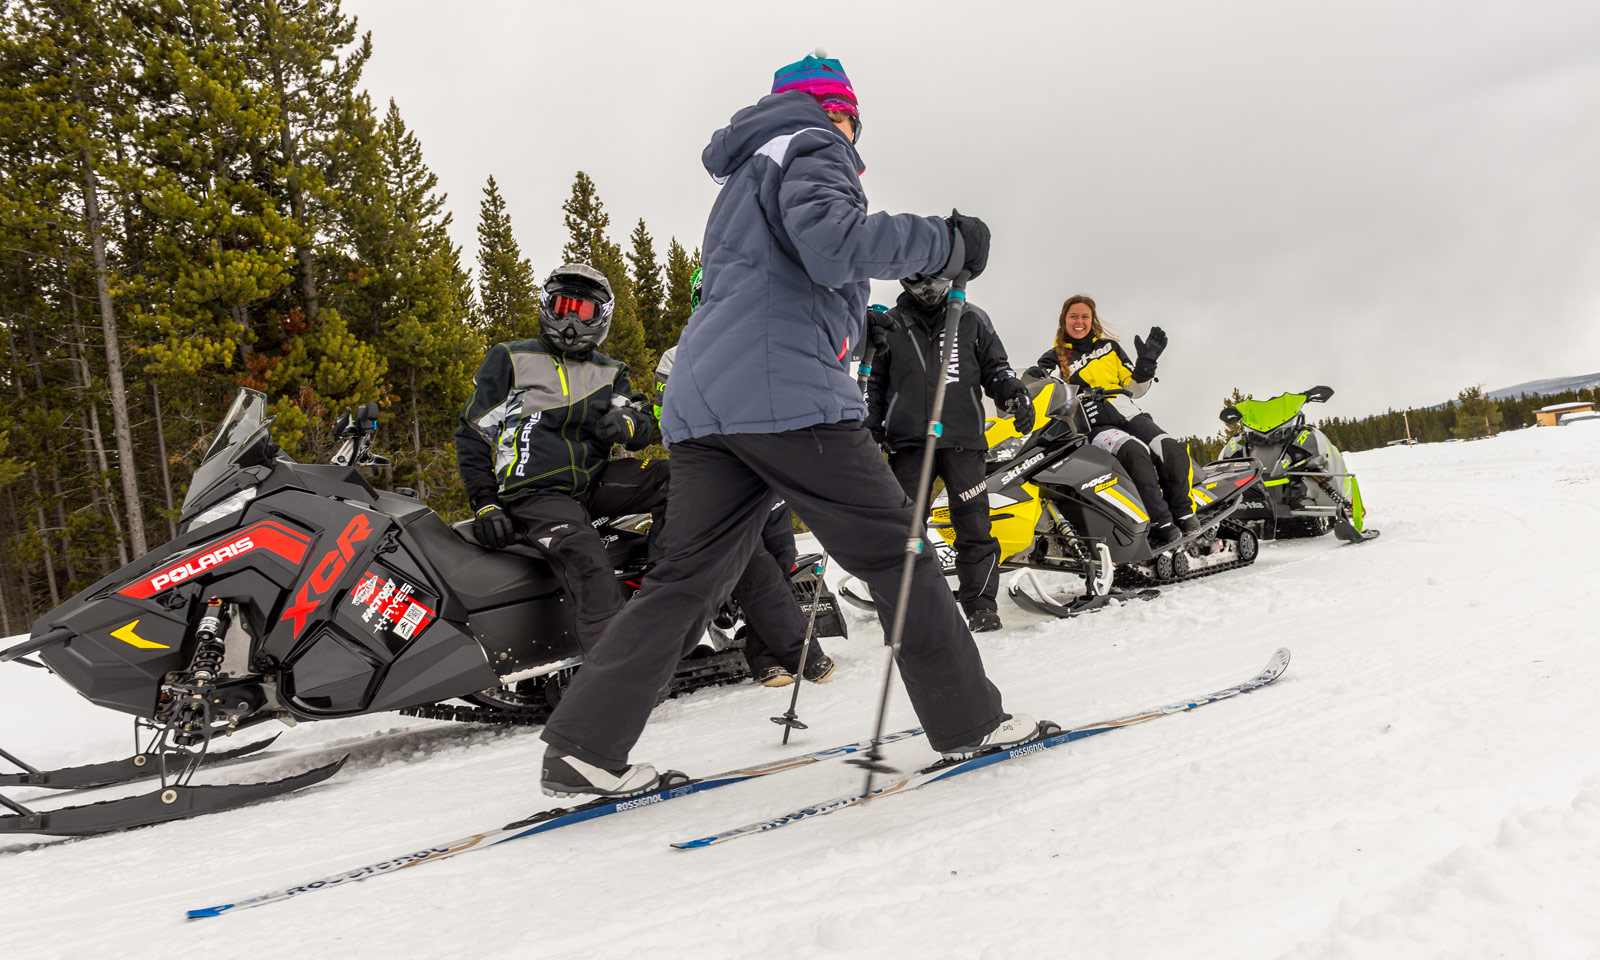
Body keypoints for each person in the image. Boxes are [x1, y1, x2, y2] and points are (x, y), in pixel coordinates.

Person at [539, 50, 1037, 798]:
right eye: (851, 118)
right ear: (830, 108)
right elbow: (833, 242)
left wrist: (850, 330)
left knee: (686, 579)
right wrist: (948, 241)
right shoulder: (809, 141)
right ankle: (969, 722)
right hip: (785, 395)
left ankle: (584, 747)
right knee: (898, 553)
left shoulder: (748, 169)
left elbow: (783, 276)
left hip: (708, 401)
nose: (854, 137)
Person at [455, 263, 661, 652]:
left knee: (681, 480)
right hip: (536, 492)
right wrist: (484, 502)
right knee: (586, 557)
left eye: (582, 310)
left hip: (596, 483)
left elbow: (643, 422)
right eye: (562, 305)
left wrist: (628, 423)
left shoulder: (610, 370)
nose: (570, 318)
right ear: (546, 305)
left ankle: (670, 588)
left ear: (600, 316)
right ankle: (617, 673)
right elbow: (473, 432)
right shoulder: (511, 358)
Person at [655, 271, 837, 688]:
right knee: (750, 563)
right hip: (718, 473)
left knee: (781, 557)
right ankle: (787, 655)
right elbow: (668, 411)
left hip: (767, 468)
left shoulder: (759, 344)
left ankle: (764, 653)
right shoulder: (676, 355)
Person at [865, 280, 1035, 633]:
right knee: (905, 529)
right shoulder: (891, 323)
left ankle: (981, 606)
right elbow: (876, 384)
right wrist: (871, 425)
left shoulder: (972, 319)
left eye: (936, 280)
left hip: (963, 439)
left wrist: (1014, 394)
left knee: (973, 525)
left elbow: (996, 370)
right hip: (909, 442)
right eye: (918, 280)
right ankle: (913, 610)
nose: (928, 289)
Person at [1026, 294, 1198, 544]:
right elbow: (1044, 389)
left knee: (1170, 448)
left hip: (1127, 411)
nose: (1079, 322)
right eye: (1073, 316)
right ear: (1064, 320)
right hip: (1093, 422)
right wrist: (1033, 379)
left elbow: (1135, 389)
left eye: (1085, 316)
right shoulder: (1054, 357)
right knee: (1135, 452)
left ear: (1092, 319)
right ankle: (1161, 520)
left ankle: (1183, 511)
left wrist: (1146, 363)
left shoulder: (1110, 347)